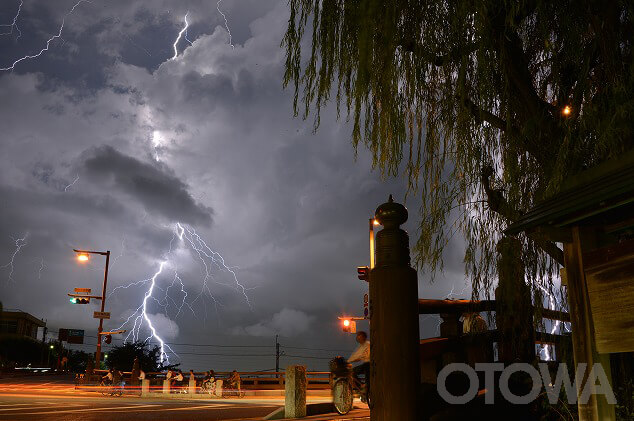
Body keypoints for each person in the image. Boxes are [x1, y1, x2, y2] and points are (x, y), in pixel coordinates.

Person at [348, 331, 370, 396]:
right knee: (351, 372)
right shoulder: (360, 346)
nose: (357, 337)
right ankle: (361, 387)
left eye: (359, 336)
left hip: (368, 364)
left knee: (366, 366)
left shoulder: (367, 344)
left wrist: (352, 360)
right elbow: (355, 355)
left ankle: (365, 386)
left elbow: (362, 355)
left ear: (363, 337)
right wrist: (348, 361)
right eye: (357, 336)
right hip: (365, 364)